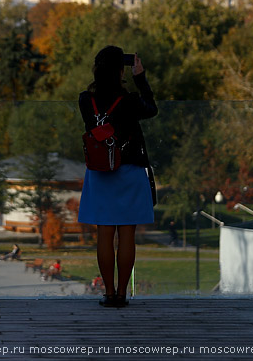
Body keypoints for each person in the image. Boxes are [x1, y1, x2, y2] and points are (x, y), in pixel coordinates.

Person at [78, 46, 157, 308]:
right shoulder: (130, 101)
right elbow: (151, 109)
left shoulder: (85, 100)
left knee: (104, 233)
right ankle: (122, 293)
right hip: (130, 170)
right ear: (119, 70)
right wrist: (140, 77)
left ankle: (108, 292)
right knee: (126, 234)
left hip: (100, 171)